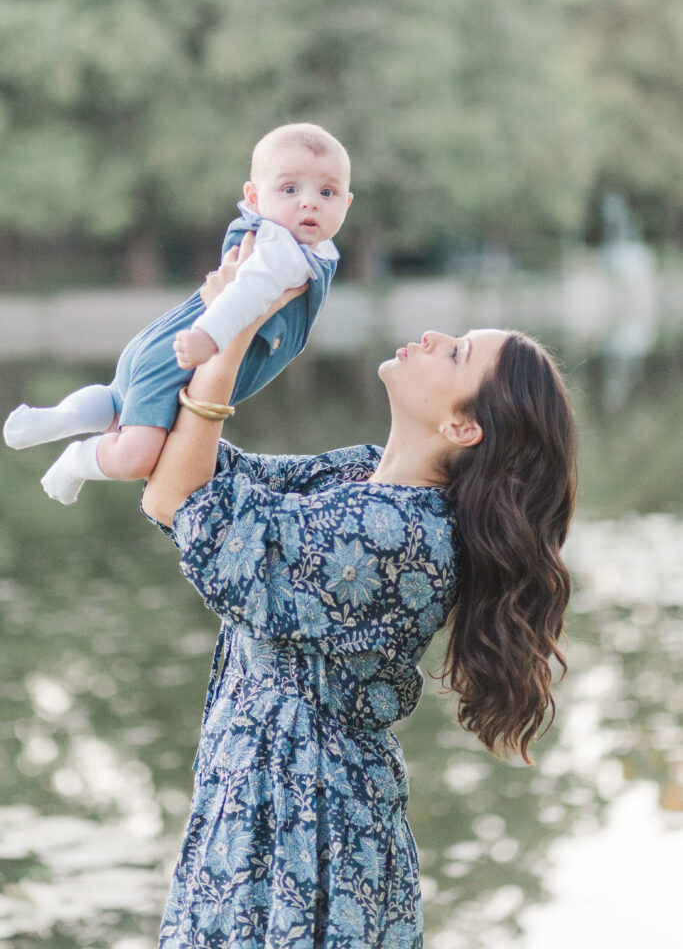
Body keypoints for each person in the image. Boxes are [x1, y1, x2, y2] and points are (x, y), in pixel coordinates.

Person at [141, 240, 577, 949]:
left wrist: (229, 339)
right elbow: (196, 469)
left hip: (303, 831)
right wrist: (222, 315)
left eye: (456, 353)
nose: (432, 337)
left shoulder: (396, 536)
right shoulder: (362, 477)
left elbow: (185, 505)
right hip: (261, 807)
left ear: (462, 426)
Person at [2, 122, 353, 505]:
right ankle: (76, 461)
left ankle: (64, 417)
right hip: (185, 355)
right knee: (137, 456)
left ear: (346, 204)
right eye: (289, 189)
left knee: (118, 400)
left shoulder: (308, 245)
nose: (309, 202)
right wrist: (208, 337)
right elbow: (243, 295)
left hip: (163, 344)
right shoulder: (279, 250)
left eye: (327, 192)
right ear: (254, 198)